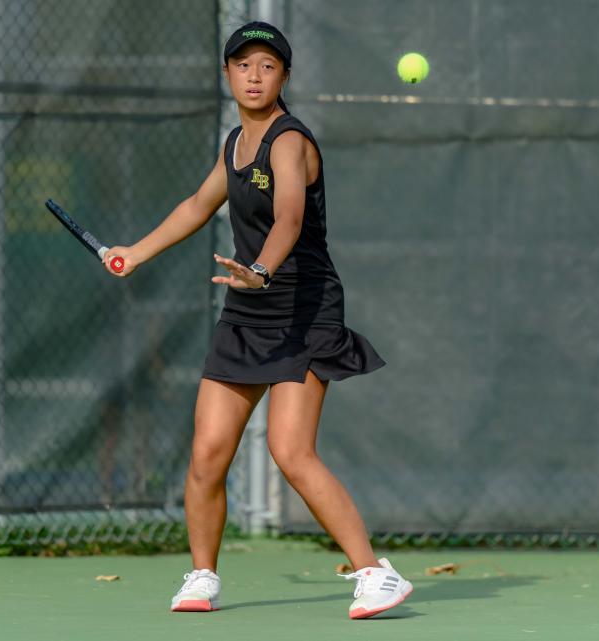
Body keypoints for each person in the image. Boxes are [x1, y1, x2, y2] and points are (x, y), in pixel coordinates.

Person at [102, 21, 413, 620]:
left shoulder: (290, 140)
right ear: (227, 74)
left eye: (267, 66)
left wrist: (262, 271)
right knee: (208, 451)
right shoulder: (233, 145)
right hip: (247, 309)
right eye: (242, 64)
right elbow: (198, 204)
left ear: (284, 77)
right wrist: (135, 253)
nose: (253, 75)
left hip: (303, 307)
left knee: (290, 451)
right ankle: (202, 576)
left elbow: (289, 219)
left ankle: (377, 574)